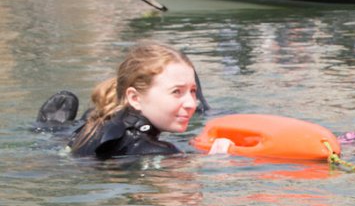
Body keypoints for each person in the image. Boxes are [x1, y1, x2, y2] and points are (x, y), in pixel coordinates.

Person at [37, 42, 226, 160]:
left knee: (80, 126)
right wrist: (218, 161)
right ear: (135, 98)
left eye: (193, 91)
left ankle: (53, 128)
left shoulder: (108, 124)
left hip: (73, 151)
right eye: (176, 92)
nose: (192, 103)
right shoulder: (155, 151)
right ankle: (51, 127)